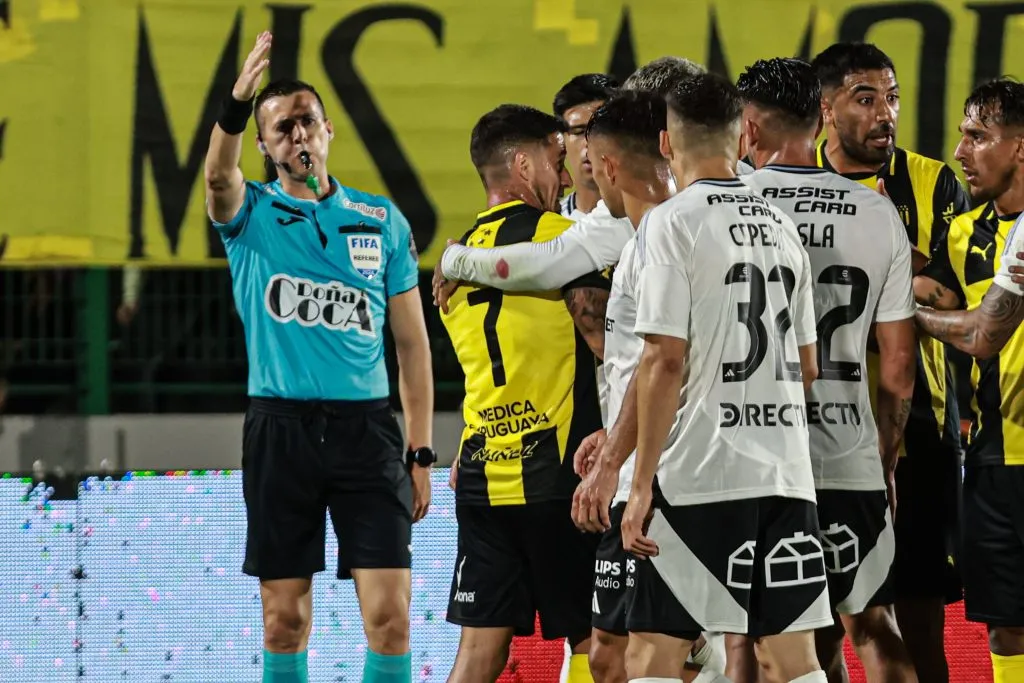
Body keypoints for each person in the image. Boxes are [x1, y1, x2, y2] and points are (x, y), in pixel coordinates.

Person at [202, 33, 434, 683]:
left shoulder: (381, 219)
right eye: (281, 128)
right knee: (284, 619)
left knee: (390, 617)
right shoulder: (249, 213)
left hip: (368, 433)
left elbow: (412, 345)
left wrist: (419, 451)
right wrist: (235, 102)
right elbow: (217, 178)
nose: (297, 134)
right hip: (281, 431)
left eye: (306, 120)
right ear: (263, 145)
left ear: (328, 130)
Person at [620, 72, 830, 683]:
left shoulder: (671, 223)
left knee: (653, 655)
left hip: (701, 477)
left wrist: (640, 486)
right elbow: (808, 367)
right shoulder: (783, 229)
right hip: (786, 476)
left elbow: (663, 359)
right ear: (742, 139)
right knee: (791, 660)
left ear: (666, 143)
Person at [734, 57, 918, 683]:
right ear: (820, 120)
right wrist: (883, 458)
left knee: (768, 641)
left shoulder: (732, 206)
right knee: (872, 623)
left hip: (757, 459)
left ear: (748, 128)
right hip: (850, 456)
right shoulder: (878, 212)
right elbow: (898, 364)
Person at [810, 41, 970, 683]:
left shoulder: (932, 181)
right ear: (825, 109)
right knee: (817, 624)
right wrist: (901, 278)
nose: (886, 114)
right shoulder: (793, 182)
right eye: (866, 98)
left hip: (918, 424)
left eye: (893, 97)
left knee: (919, 614)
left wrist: (878, 260)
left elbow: (953, 296)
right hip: (818, 427)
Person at [440, 103, 610, 683]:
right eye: (555, 161)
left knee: (478, 652)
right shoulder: (564, 239)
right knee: (599, 642)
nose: (563, 176)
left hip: (482, 472)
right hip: (561, 475)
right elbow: (603, 341)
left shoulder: (454, 261)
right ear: (522, 164)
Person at [910, 78, 1024, 683]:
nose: (960, 152)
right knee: (1005, 624)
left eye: (977, 136)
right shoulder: (962, 235)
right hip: (993, 457)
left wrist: (909, 314)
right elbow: (937, 295)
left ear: (1019, 147)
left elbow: (981, 333)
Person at [554, 73, 621, 219]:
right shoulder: (549, 226)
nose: (589, 143)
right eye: (579, 132)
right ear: (562, 141)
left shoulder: (652, 220)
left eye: (600, 130)